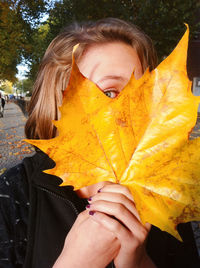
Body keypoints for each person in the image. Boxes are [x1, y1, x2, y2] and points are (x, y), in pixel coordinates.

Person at [0, 18, 199, 268]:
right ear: (61, 100)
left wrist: (138, 262)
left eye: (142, 95)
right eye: (109, 92)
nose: (131, 112)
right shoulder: (14, 191)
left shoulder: (167, 191)